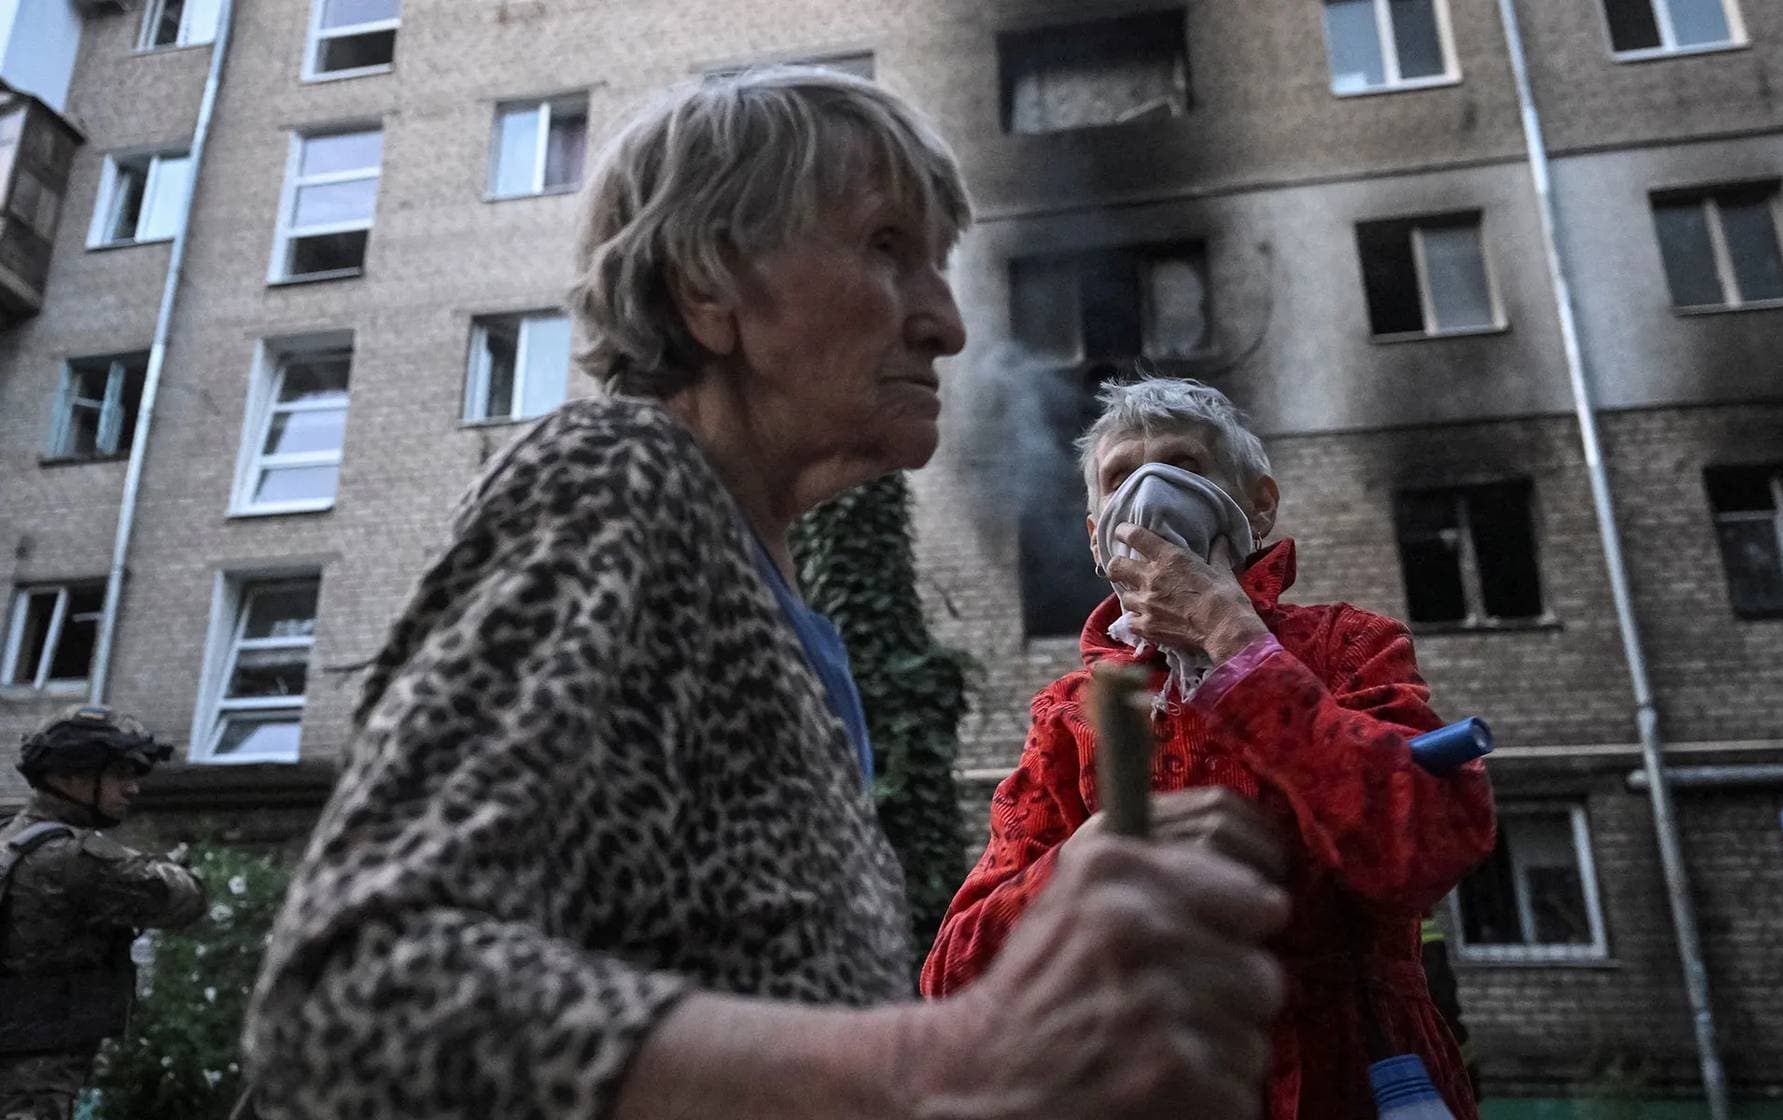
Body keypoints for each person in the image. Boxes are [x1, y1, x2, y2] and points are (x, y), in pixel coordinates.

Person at [241, 69, 1288, 1120]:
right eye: (885, 246)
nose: (946, 323)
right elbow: (357, 990)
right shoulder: (618, 474)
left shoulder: (778, 609)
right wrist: (946, 1062)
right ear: (711, 288)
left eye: (940, 265)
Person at [922, 377, 1498, 1120]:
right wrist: (1084, 863)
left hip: (1349, 1079)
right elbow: (954, 974)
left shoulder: (1349, 648)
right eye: (1120, 476)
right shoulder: (1074, 716)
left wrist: (1236, 643)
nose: (1152, 489)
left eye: (1184, 464)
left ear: (1259, 504)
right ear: (1097, 538)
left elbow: (1421, 848)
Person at [0, 705, 207, 1120]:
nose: (132, 789)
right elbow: (184, 900)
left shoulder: (10, 838)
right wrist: (168, 866)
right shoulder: (75, 859)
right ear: (70, 776)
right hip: (33, 1083)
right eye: (119, 774)